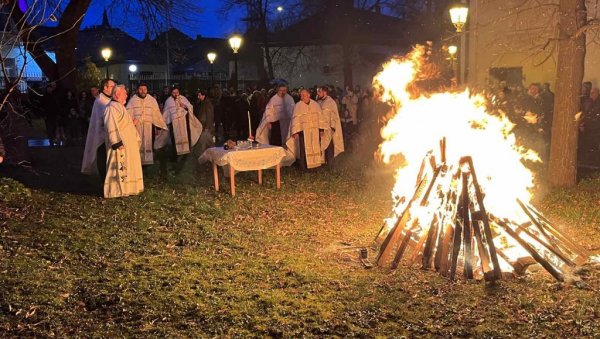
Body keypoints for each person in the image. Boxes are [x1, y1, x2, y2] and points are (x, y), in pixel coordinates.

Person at [103, 84, 143, 198]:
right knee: (120, 168)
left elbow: (123, 124)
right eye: (124, 93)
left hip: (128, 144)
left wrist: (132, 123)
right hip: (120, 145)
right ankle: (116, 191)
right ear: (117, 94)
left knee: (129, 167)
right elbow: (110, 125)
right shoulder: (111, 107)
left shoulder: (119, 106)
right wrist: (117, 143)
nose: (126, 94)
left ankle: (128, 189)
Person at [159, 87, 202, 174]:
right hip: (174, 128)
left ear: (179, 92)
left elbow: (190, 107)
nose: (175, 94)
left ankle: (183, 165)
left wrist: (185, 106)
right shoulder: (168, 101)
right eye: (174, 92)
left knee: (187, 145)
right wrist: (163, 123)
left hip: (185, 127)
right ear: (171, 93)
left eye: (177, 92)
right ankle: (175, 165)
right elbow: (166, 114)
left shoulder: (183, 98)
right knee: (175, 147)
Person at [286, 88, 328, 170]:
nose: (302, 97)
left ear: (309, 95)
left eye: (303, 95)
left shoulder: (315, 105)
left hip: (315, 131)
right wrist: (295, 132)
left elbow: (321, 118)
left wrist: (321, 130)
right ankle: (304, 167)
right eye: (301, 95)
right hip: (303, 131)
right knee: (303, 149)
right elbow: (295, 120)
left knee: (316, 147)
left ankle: (316, 165)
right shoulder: (298, 106)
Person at [126, 83, 167, 165]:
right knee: (137, 144)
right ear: (138, 90)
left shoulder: (152, 100)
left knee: (150, 143)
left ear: (147, 90)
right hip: (137, 127)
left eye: (145, 89)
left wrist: (158, 127)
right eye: (141, 89)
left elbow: (156, 114)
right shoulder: (132, 100)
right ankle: (138, 163)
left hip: (150, 127)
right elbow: (128, 114)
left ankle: (148, 162)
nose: (143, 91)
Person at [81, 78, 115, 180]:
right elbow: (104, 118)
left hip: (109, 134)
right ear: (105, 87)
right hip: (101, 135)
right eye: (112, 86)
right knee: (102, 157)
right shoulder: (100, 101)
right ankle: (104, 178)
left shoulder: (109, 98)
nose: (114, 88)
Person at [317, 85, 344, 166]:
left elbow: (334, 116)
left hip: (329, 128)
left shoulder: (331, 102)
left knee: (329, 146)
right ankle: (323, 162)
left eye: (319, 91)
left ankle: (331, 164)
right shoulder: (319, 102)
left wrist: (332, 127)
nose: (318, 93)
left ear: (324, 92)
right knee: (322, 144)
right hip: (321, 128)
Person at [194, 88, 214, 156]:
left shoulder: (207, 104)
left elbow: (210, 116)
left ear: (203, 95)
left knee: (207, 142)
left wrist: (208, 126)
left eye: (199, 95)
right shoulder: (201, 103)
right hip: (202, 126)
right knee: (206, 142)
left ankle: (206, 155)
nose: (198, 97)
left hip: (205, 126)